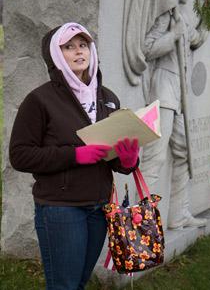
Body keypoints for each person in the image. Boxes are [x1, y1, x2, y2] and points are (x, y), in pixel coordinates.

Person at [9, 22, 139, 290]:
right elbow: (20, 156)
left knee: (79, 283)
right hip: (61, 208)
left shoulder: (108, 98)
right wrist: (75, 155)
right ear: (56, 55)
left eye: (83, 45)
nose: (79, 52)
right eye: (69, 47)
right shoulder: (40, 100)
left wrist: (127, 161)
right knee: (64, 286)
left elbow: (109, 154)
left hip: (99, 206)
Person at [140, 0, 208, 230]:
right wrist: (172, 35)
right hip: (164, 92)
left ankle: (178, 214)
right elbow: (148, 48)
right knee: (155, 157)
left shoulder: (184, 17)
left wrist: (206, 17)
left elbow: (195, 38)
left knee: (183, 153)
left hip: (180, 97)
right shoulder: (168, 16)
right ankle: (143, 221)